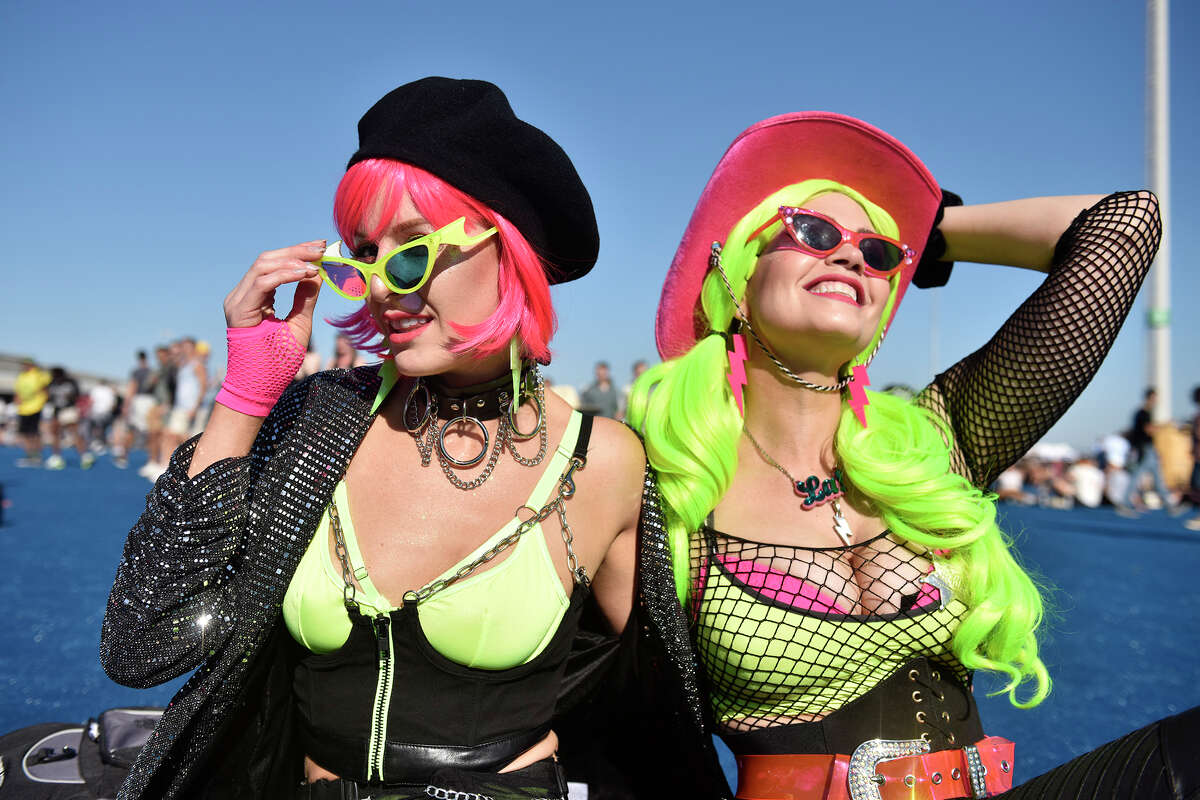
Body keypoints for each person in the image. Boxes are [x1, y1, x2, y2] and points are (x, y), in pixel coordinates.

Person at [101, 77, 642, 800]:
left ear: (507, 247)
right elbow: (143, 641)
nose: (384, 286)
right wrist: (245, 397)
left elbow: (658, 695)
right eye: (362, 256)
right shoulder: (315, 422)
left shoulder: (600, 459)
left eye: (412, 253)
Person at [625, 112, 1195, 798]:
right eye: (814, 232)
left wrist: (925, 233)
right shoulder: (667, 487)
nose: (850, 257)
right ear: (738, 283)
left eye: (878, 254)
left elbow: (1124, 226)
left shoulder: (936, 438)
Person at [1117, 388, 1180, 515]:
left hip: (1147, 448)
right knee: (1141, 477)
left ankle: (1170, 506)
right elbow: (1148, 430)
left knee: (1153, 478)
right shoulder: (1143, 413)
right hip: (1145, 448)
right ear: (1150, 398)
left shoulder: (1142, 413)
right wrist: (1164, 426)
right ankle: (1124, 504)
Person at [45, 366, 90, 469]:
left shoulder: (71, 382)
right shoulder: (52, 383)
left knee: (74, 433)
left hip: (69, 410)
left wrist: (69, 397)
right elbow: (49, 397)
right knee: (55, 433)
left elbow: (77, 395)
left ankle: (84, 456)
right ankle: (56, 457)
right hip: (57, 411)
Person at [14, 358, 51, 467]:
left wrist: (44, 400)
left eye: (26, 364)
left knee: (34, 433)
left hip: (35, 407)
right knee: (25, 433)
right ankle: (29, 455)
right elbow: (18, 391)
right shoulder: (21, 376)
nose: (24, 366)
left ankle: (37, 455)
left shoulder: (39, 375)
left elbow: (46, 388)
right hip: (23, 409)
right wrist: (17, 399)